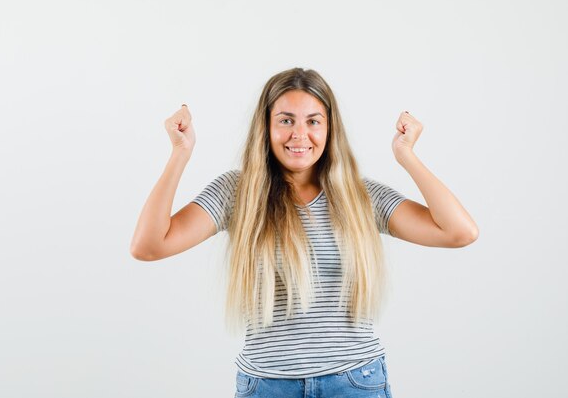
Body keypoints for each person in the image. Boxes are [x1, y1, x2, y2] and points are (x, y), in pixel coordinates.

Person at [130, 67, 479, 398]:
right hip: (268, 385)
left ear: (329, 130)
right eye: (285, 121)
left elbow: (459, 232)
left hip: (354, 382)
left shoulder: (361, 196)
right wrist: (180, 153)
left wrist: (407, 156)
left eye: (313, 121)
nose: (299, 135)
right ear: (266, 127)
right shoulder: (238, 193)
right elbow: (148, 246)